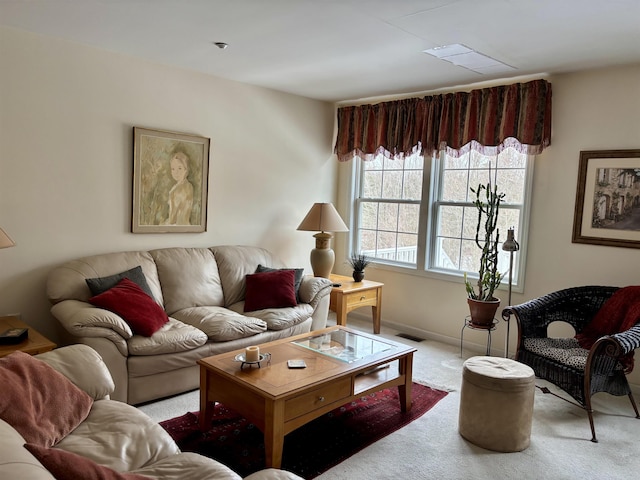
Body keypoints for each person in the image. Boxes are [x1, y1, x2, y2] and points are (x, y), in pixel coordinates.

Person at [163, 151, 194, 225]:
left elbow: (172, 219)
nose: (176, 172)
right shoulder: (188, 186)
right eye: (173, 169)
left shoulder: (179, 190)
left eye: (179, 168)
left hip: (177, 225)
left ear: (186, 169)